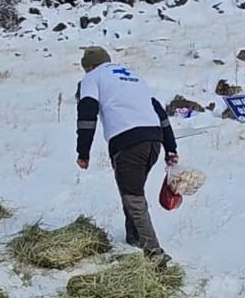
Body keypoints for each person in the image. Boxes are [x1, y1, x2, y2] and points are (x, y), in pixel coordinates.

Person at [75, 46, 178, 265]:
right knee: (131, 189)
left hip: (127, 141)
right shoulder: (132, 77)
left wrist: (83, 151)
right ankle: (133, 238)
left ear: (89, 66)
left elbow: (87, 113)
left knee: (133, 198)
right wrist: (170, 147)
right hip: (153, 140)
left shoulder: (92, 78)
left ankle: (155, 254)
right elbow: (159, 111)